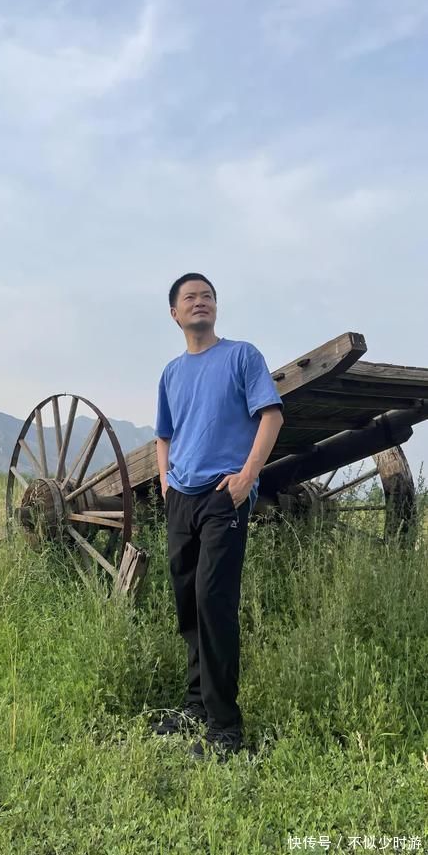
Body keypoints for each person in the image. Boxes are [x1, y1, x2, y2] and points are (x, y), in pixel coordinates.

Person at [152, 273, 284, 760]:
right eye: (190, 297)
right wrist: (165, 483)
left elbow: (272, 415)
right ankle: (196, 706)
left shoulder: (242, 356)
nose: (200, 302)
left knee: (213, 600)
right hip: (181, 498)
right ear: (175, 314)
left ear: (215, 307)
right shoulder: (171, 373)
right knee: (188, 600)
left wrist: (248, 476)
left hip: (223, 495)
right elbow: (164, 435)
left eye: (207, 296)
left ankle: (225, 728)